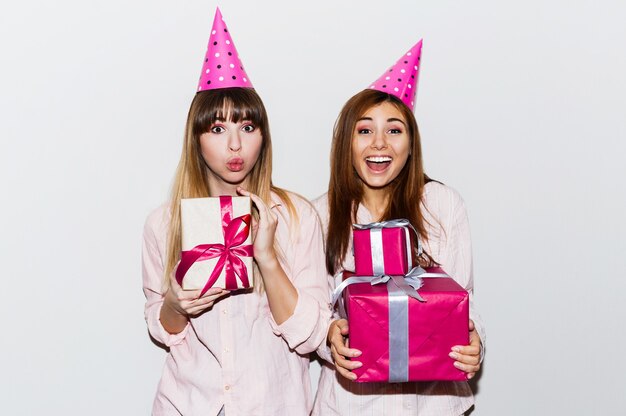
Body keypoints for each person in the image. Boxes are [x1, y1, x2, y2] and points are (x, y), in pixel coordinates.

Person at [141, 8, 330, 415]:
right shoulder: (164, 223)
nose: (234, 146)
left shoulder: (296, 215)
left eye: (247, 127)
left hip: (275, 405)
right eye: (217, 129)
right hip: (186, 404)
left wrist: (267, 258)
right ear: (196, 138)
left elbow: (314, 333)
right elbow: (162, 326)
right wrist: (175, 305)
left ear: (263, 135)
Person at [312, 40, 486, 415]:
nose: (379, 144)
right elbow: (311, 312)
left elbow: (465, 299)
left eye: (394, 130)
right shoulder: (318, 216)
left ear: (411, 144)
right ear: (346, 142)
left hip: (434, 404)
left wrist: (475, 342)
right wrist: (328, 339)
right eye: (364, 131)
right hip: (350, 405)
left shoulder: (441, 205)